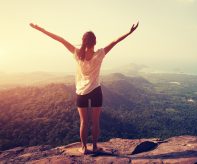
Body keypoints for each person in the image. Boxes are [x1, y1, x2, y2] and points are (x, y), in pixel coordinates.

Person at [29, 22, 139, 154]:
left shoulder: (77, 54)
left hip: (81, 92)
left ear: (83, 42)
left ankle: (84, 148)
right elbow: (115, 41)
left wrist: (41, 29)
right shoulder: (100, 54)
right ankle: (95, 146)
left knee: (84, 122)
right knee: (95, 121)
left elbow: (59, 39)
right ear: (95, 42)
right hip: (96, 91)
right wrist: (129, 32)